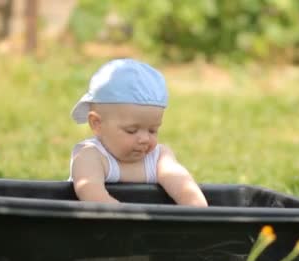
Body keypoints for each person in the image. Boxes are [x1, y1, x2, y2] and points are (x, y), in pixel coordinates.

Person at [68, 58, 208, 207]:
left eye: (153, 130)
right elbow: (93, 196)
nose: (145, 139)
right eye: (132, 130)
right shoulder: (89, 155)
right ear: (97, 124)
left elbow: (186, 190)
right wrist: (130, 222)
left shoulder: (159, 158)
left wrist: (197, 213)